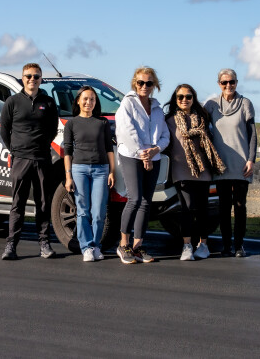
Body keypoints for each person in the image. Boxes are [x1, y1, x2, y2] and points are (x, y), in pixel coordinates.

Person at [0, 63, 59, 260]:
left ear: (41, 79)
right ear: (22, 78)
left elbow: (52, 129)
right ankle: (11, 245)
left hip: (42, 159)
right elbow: (4, 130)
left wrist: (41, 146)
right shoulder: (12, 102)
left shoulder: (48, 103)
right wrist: (15, 150)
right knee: (18, 204)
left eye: (36, 76)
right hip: (20, 159)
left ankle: (44, 243)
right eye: (28, 76)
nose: (32, 79)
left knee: (43, 203)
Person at [114, 66, 170, 264]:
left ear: (154, 85)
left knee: (146, 202)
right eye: (140, 82)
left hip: (153, 157)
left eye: (149, 83)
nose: (144, 86)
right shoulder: (127, 103)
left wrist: (155, 150)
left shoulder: (157, 108)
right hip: (131, 155)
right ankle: (123, 244)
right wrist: (142, 154)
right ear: (134, 83)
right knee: (135, 198)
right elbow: (127, 131)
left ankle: (138, 247)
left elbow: (165, 135)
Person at [164, 84, 225, 261]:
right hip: (180, 170)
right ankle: (187, 246)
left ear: (193, 99)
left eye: (188, 97)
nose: (184, 100)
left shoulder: (202, 118)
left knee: (203, 209)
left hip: (203, 171)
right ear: (175, 99)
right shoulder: (169, 120)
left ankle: (203, 245)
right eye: (180, 97)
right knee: (187, 208)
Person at [204, 68, 257, 258]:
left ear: (236, 82)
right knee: (224, 208)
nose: (228, 85)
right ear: (219, 84)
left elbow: (252, 134)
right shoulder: (211, 105)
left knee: (240, 206)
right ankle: (226, 246)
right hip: (221, 165)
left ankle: (239, 246)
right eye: (224, 82)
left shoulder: (245, 103)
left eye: (232, 82)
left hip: (242, 164)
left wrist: (251, 159)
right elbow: (201, 128)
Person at [63, 86, 115, 262]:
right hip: (79, 170)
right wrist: (68, 176)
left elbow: (109, 148)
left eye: (92, 99)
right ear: (78, 101)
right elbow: (67, 152)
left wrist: (112, 171)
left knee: (99, 212)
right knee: (83, 211)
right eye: (85, 99)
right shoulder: (71, 123)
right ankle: (86, 247)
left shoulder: (102, 122)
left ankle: (96, 246)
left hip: (101, 170)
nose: (89, 102)